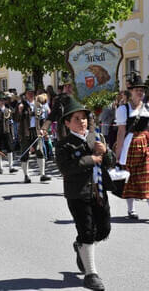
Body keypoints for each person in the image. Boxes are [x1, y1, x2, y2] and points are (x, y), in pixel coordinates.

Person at [55, 97, 115, 291]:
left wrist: (105, 152)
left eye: (84, 118)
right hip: (77, 193)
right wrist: (90, 158)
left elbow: (110, 163)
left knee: (104, 229)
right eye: (76, 118)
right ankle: (91, 274)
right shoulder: (64, 144)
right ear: (67, 122)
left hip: (98, 191)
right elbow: (65, 168)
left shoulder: (96, 137)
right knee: (87, 231)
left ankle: (80, 245)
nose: (82, 121)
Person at [115, 77, 149, 219]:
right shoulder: (124, 109)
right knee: (130, 177)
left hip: (146, 144)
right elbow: (121, 132)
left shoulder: (147, 107)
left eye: (142, 90)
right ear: (131, 92)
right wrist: (118, 154)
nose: (140, 92)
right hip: (130, 145)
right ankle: (131, 210)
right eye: (137, 90)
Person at [16, 86, 51, 183]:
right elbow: (16, 119)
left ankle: (42, 174)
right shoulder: (21, 105)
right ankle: (26, 175)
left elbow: (42, 119)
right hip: (25, 132)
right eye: (28, 93)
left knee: (40, 151)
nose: (31, 94)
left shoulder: (38, 105)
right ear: (25, 94)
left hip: (36, 131)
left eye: (32, 92)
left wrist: (44, 129)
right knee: (25, 154)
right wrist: (19, 111)